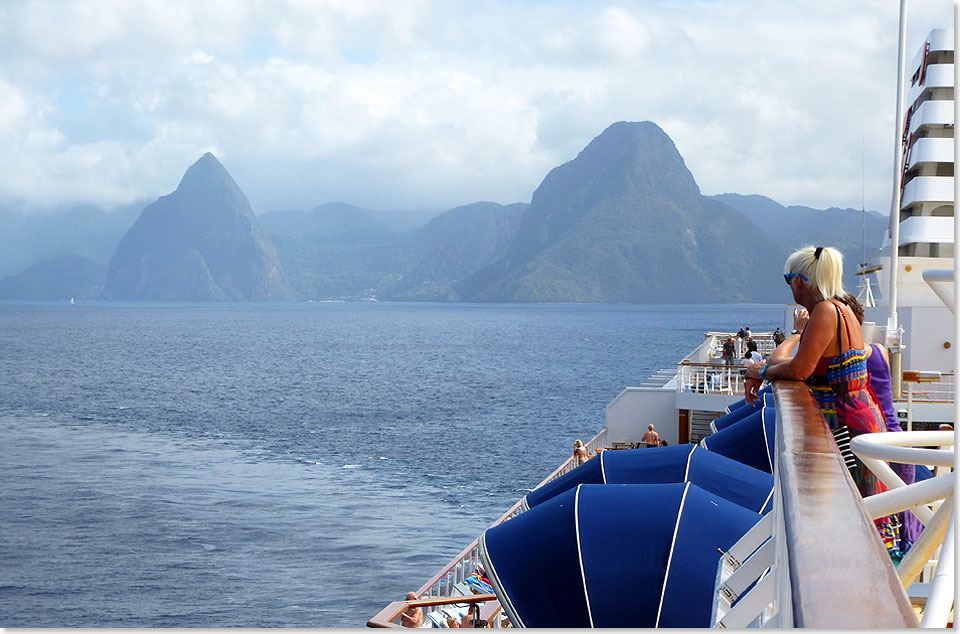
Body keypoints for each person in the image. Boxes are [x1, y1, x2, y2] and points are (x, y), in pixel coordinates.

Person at [745, 246, 897, 550]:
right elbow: (795, 365)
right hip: (859, 415)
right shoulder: (842, 309)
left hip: (846, 424)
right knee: (866, 505)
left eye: (788, 279)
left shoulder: (826, 312)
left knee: (860, 508)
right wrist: (763, 369)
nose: (790, 287)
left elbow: (800, 369)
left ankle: (872, 580)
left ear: (799, 281)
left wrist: (759, 372)